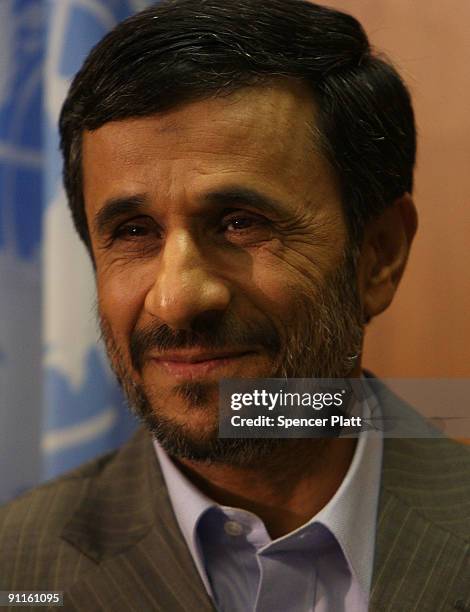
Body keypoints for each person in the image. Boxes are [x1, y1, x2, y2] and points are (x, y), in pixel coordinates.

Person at [1, 0, 469, 610]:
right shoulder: (17, 566)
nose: (176, 301)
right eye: (134, 232)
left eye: (240, 223)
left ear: (378, 256)